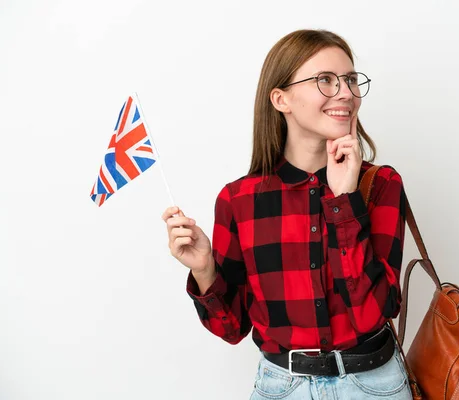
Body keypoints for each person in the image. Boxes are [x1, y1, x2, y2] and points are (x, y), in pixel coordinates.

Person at [161, 29, 412, 400]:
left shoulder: (380, 185)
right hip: (282, 388)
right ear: (281, 99)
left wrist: (344, 200)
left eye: (350, 79)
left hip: (374, 386)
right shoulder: (239, 200)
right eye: (325, 80)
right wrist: (203, 270)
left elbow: (374, 312)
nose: (346, 93)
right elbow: (231, 329)